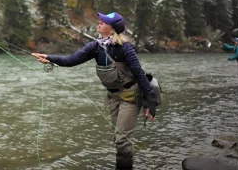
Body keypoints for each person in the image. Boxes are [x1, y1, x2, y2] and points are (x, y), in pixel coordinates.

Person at [32, 12, 157, 170]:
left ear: (112, 30)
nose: (99, 23)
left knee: (122, 140)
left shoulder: (125, 48)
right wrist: (50, 58)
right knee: (118, 138)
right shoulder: (96, 47)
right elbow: (71, 60)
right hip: (113, 97)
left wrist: (150, 101)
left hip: (130, 96)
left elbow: (139, 73)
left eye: (103, 22)